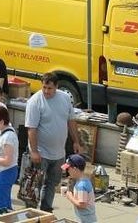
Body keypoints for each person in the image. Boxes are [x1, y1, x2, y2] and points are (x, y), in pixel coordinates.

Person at [25, 73, 81, 214]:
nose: (46, 91)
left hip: (58, 154)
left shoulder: (65, 98)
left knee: (52, 183)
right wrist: (34, 151)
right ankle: (30, 212)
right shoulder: (35, 101)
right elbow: (31, 128)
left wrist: (76, 141)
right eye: (44, 87)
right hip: (41, 153)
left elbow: (71, 121)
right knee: (34, 183)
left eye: (49, 88)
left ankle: (46, 210)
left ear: (56, 86)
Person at [62, 154, 98, 223]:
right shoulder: (85, 181)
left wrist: (70, 197)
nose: (68, 171)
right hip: (87, 219)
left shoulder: (81, 186)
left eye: (68, 169)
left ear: (75, 169)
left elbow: (82, 204)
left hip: (86, 220)